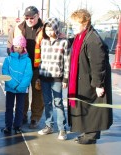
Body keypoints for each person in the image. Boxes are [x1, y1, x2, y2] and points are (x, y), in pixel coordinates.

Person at [68, 9, 112, 144]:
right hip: (84, 79)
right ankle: (87, 133)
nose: (73, 28)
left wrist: (98, 85)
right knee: (86, 108)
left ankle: (91, 135)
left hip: (91, 81)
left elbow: (98, 64)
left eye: (76, 25)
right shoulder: (82, 36)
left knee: (93, 109)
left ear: (86, 23)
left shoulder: (93, 39)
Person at [7, 6, 44, 129]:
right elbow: (10, 45)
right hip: (22, 67)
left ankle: (35, 118)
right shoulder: (18, 28)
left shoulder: (44, 28)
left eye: (32, 17)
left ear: (37, 15)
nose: (29, 20)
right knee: (22, 92)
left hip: (39, 67)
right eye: (26, 17)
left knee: (38, 94)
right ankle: (22, 115)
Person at [37, 17, 70, 140]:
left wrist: (65, 79)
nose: (49, 31)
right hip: (44, 77)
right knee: (47, 102)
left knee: (58, 103)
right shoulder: (44, 42)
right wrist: (39, 77)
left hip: (57, 78)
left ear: (56, 29)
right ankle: (49, 126)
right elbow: (42, 61)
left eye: (51, 29)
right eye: (47, 29)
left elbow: (67, 62)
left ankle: (62, 129)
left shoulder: (64, 42)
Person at [1, 36, 33, 135]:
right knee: (9, 108)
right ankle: (8, 126)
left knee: (20, 109)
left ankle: (17, 126)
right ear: (12, 47)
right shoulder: (8, 59)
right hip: (10, 88)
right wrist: (13, 84)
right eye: (16, 47)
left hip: (22, 90)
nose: (18, 49)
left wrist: (21, 86)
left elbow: (28, 74)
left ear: (23, 48)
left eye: (20, 47)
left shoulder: (27, 60)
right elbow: (5, 72)